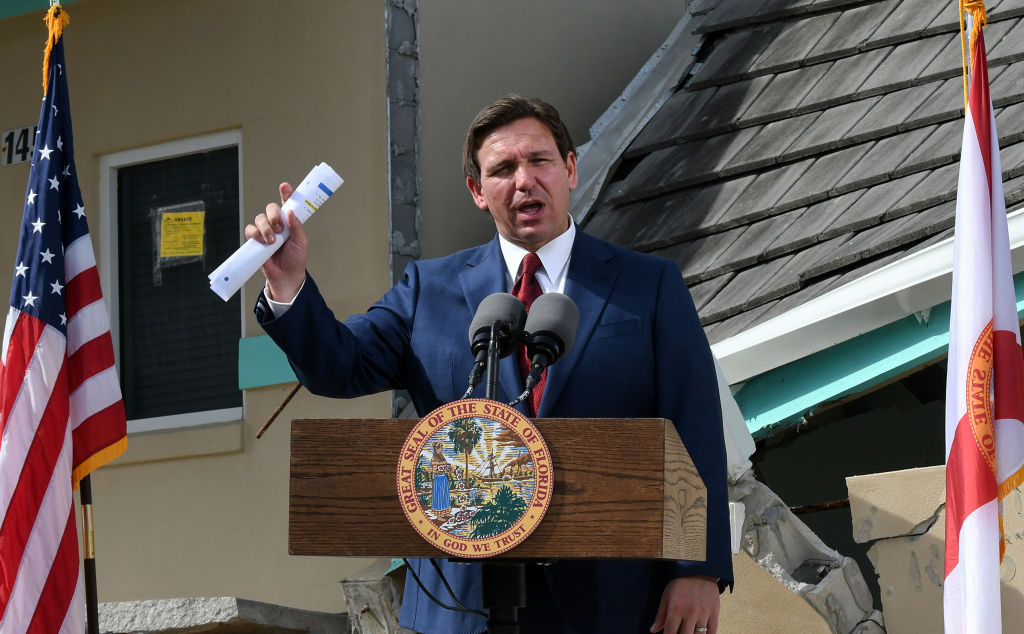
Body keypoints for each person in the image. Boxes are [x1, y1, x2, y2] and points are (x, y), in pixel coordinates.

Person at [248, 95, 733, 634]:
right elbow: (338, 367)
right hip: (463, 603)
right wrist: (286, 283)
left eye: (539, 161)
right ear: (479, 192)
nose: (524, 180)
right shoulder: (427, 290)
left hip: (610, 597)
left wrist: (698, 572)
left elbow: (693, 427)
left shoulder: (649, 286)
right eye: (502, 169)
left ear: (569, 169)